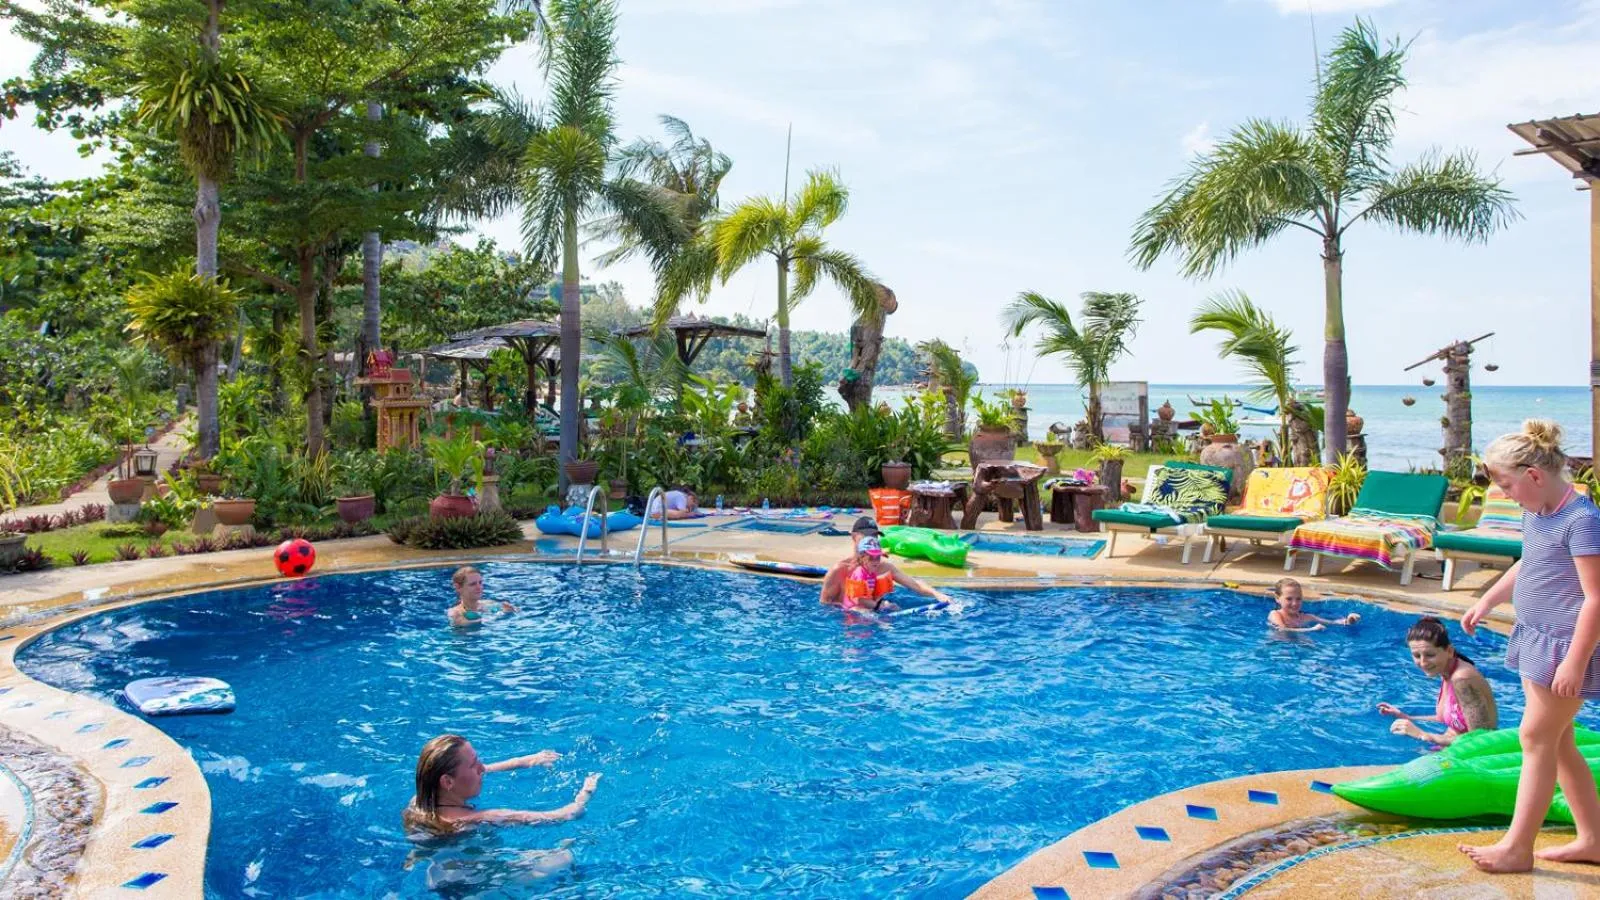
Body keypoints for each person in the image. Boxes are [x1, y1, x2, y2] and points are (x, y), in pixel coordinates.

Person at [1459, 420, 1600, 873]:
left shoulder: (1583, 521)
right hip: (1536, 639)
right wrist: (1487, 599)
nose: (1506, 494)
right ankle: (1594, 839)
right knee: (1558, 743)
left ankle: (1517, 849)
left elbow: (1596, 598)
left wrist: (1576, 662)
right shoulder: (1538, 514)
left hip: (1566, 648)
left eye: (1506, 485)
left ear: (1534, 475)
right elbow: (1529, 564)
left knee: (1535, 737)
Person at [402, 734, 600, 835]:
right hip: (473, 886)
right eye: (473, 765)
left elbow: (484, 768)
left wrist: (523, 761)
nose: (482, 768)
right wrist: (586, 792)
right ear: (447, 781)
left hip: (439, 873)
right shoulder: (478, 818)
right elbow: (566, 815)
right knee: (565, 857)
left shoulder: (419, 801)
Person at [1377, 616, 1497, 746]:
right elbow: (1448, 719)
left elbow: (1481, 738)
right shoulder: (1447, 673)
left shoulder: (1462, 679)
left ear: (1449, 651)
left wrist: (1424, 735)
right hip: (1450, 747)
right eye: (1417, 656)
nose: (1423, 663)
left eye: (1430, 655)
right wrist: (1406, 717)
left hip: (1470, 756)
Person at [839, 536, 949, 614]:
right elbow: (859, 600)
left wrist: (937, 594)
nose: (876, 561)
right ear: (862, 558)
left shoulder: (871, 572)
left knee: (893, 607)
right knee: (877, 620)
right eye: (871, 557)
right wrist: (879, 606)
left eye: (878, 557)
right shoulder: (859, 573)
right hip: (853, 611)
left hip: (868, 606)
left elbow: (915, 584)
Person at [1266, 578, 1360, 632]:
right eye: (1289, 599)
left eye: (1298, 599)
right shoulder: (1275, 614)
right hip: (1278, 646)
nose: (1294, 603)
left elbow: (1333, 623)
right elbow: (1283, 629)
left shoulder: (1307, 617)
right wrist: (1311, 629)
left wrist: (1349, 620)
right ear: (1277, 598)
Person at [448, 566, 514, 627]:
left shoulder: (489, 603)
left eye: (480, 582)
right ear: (458, 587)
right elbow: (467, 624)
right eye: (473, 584)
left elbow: (517, 611)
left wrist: (511, 610)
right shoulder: (456, 613)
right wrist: (501, 614)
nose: (479, 587)